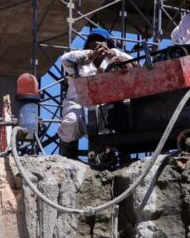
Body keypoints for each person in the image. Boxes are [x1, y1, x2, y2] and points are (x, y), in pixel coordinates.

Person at [57, 28, 133, 158]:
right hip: (79, 107)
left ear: (108, 43)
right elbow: (64, 59)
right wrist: (92, 54)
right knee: (70, 124)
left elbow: (136, 66)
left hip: (106, 109)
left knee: (126, 112)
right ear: (88, 45)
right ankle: (67, 159)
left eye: (102, 40)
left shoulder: (113, 58)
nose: (98, 43)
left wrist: (113, 54)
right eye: (93, 40)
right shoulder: (80, 62)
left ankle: (118, 157)